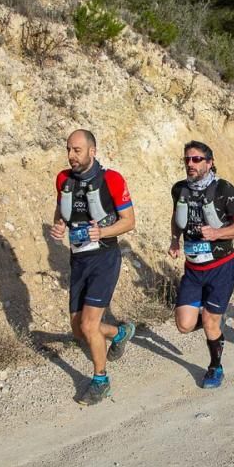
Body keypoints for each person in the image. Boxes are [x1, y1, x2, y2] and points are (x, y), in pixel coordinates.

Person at [52, 129, 137, 405]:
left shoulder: (111, 179)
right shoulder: (63, 179)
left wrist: (104, 232)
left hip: (104, 259)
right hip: (78, 260)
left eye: (77, 150)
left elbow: (129, 221)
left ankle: (101, 381)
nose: (71, 156)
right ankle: (120, 332)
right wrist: (59, 225)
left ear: (92, 151)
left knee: (89, 325)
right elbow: (62, 210)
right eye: (68, 150)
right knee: (78, 330)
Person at [170, 141, 234, 389]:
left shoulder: (223, 189)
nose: (190, 164)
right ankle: (212, 320)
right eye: (187, 159)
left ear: (209, 162)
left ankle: (215, 367)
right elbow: (176, 217)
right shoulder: (179, 189)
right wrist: (174, 240)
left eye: (196, 159)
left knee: (210, 323)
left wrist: (217, 233)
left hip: (221, 267)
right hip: (193, 269)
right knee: (184, 325)